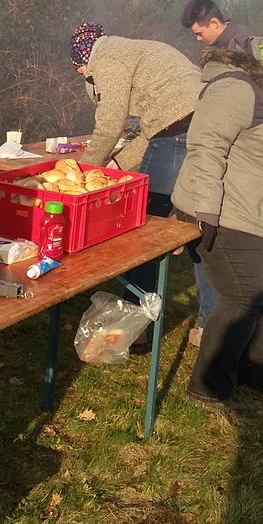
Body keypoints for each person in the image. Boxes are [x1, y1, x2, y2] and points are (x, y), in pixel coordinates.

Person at [171, 10, 263, 419]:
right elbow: (205, 147)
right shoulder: (237, 87)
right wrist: (206, 212)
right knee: (243, 294)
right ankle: (208, 386)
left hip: (259, 208)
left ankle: (259, 371)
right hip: (222, 209)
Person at [71, 23, 204, 337]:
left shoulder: (106, 58)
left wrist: (82, 173)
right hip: (201, 123)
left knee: (144, 230)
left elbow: (110, 123)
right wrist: (116, 164)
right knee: (199, 226)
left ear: (82, 62)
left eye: (83, 73)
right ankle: (210, 325)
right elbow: (153, 131)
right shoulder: (131, 51)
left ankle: (133, 326)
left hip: (178, 129)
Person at [180, 0, 252, 50]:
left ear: (214, 24)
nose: (198, 39)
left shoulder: (238, 48)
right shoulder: (237, 35)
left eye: (200, 34)